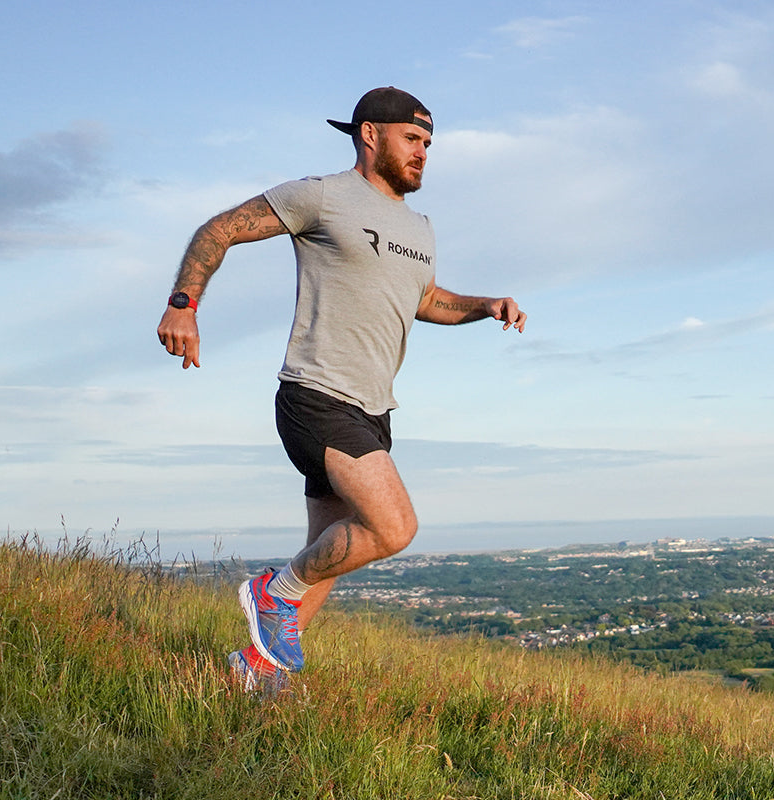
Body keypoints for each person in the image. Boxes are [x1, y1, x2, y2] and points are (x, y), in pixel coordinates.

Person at [155, 87, 526, 692]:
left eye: (429, 144)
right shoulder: (321, 196)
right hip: (318, 395)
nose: (424, 153)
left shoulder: (420, 228)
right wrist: (183, 305)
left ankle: (252, 675)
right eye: (413, 139)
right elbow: (219, 229)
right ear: (370, 134)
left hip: (374, 408)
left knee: (327, 552)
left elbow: (425, 300)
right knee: (394, 528)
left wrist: (483, 304)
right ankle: (270, 590)